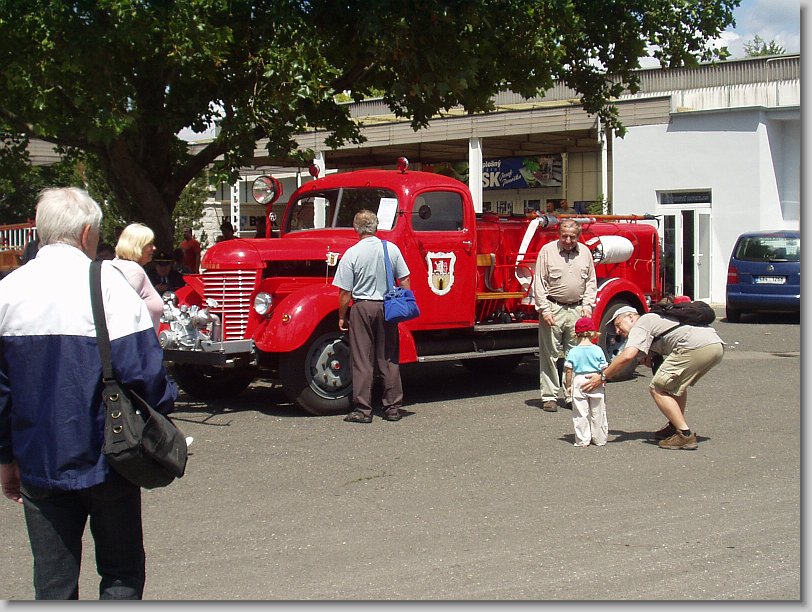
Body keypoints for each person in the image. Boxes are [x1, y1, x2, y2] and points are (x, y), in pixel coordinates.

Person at [0, 187, 177, 599]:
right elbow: (147, 377)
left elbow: (2, 391)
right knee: (120, 573)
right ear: (86, 233)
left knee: (53, 581)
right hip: (110, 455)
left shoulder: (7, 291)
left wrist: (6, 455)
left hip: (38, 456)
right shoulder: (111, 286)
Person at [581, 305, 725, 450]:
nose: (618, 331)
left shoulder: (642, 322)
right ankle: (675, 425)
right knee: (676, 385)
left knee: (657, 388)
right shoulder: (656, 319)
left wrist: (602, 377)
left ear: (631, 317)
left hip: (695, 346)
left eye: (618, 325)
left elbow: (626, 356)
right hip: (715, 345)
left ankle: (684, 435)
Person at [332, 209, 410, 423]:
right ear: (376, 226)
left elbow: (345, 293)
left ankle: (363, 409)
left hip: (362, 307)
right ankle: (392, 407)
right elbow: (404, 279)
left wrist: (342, 316)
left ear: (356, 228)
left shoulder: (352, 253)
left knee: (362, 360)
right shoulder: (390, 249)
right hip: (387, 307)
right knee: (388, 358)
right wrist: (403, 303)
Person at [532, 218, 597, 412]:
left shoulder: (585, 253)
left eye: (572, 237)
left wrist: (588, 306)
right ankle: (549, 396)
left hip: (578, 309)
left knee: (575, 355)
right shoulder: (547, 252)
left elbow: (591, 282)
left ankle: (571, 395)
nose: (568, 240)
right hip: (554, 308)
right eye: (564, 236)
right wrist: (544, 309)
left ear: (578, 236)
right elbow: (540, 282)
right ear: (558, 235)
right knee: (549, 355)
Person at [564, 317, 609, 447]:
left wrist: (568, 386)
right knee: (599, 411)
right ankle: (600, 438)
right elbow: (604, 367)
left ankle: (582, 439)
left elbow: (569, 371)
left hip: (579, 380)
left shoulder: (573, 351)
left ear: (576, 334)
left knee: (580, 412)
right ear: (593, 333)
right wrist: (603, 379)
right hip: (596, 379)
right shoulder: (597, 349)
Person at [111, 223, 163, 334]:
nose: (154, 248)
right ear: (137, 246)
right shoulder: (134, 271)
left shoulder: (117, 265)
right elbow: (121, 313)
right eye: (149, 244)